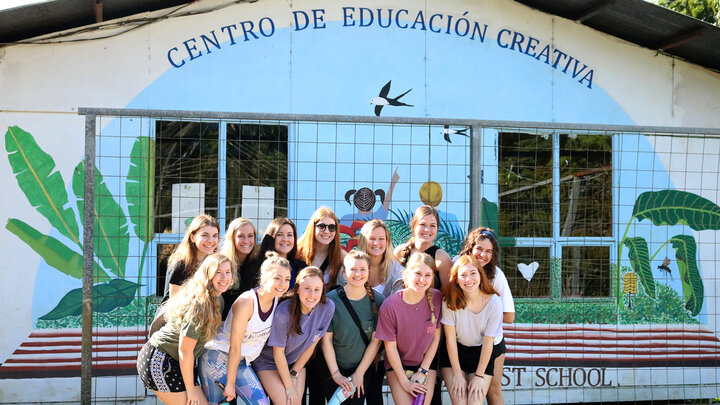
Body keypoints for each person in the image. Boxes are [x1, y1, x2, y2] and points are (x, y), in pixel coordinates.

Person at [137, 253, 233, 405]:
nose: (224, 277)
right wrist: (190, 389)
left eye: (228, 272)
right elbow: (185, 350)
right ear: (207, 275)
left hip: (180, 362)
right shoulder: (199, 303)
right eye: (218, 272)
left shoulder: (218, 300)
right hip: (160, 360)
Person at [198, 252, 291, 405]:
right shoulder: (247, 302)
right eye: (277, 278)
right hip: (217, 357)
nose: (283, 284)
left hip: (241, 361)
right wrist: (230, 383)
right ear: (265, 277)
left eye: (287, 279)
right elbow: (235, 347)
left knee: (261, 403)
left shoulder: (276, 300)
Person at [252, 267, 335, 405]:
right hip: (269, 362)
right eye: (307, 288)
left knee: (296, 402)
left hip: (295, 362)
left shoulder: (328, 307)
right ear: (297, 289)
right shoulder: (284, 312)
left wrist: (294, 373)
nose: (312, 294)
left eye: (317, 289)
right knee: (286, 402)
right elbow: (278, 353)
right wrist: (289, 386)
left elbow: (312, 345)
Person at [375, 252, 442, 405]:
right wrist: (405, 382)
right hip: (399, 364)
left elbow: (436, 338)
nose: (422, 280)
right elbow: (390, 348)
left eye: (427, 275)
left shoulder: (436, 298)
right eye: (417, 273)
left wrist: (423, 371)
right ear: (407, 273)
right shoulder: (390, 305)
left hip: (425, 363)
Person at [458, 227, 515, 405]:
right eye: (479, 249)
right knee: (468, 393)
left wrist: (481, 315)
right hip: (463, 342)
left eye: (488, 251)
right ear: (470, 247)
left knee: (493, 390)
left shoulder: (496, 275)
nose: (483, 255)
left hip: (491, 342)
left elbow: (509, 316)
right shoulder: (456, 267)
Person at [322, 251, 385, 405]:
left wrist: (359, 373)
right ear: (344, 272)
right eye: (353, 269)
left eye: (363, 269)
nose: (358, 273)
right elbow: (326, 341)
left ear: (369, 271)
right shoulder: (331, 300)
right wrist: (336, 374)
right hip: (333, 366)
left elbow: (375, 342)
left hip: (362, 367)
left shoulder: (378, 300)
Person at [440, 255, 502, 405]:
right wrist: (457, 374)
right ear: (456, 279)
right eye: (463, 275)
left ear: (480, 275)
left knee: (475, 402)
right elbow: (450, 340)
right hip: (455, 354)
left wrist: (479, 376)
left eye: (473, 273)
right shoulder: (449, 301)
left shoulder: (494, 302)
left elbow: (488, 343)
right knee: (460, 402)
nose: (468, 279)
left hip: (481, 354)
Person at [163, 214, 220, 301]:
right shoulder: (181, 265)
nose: (211, 240)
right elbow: (175, 306)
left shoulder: (216, 264)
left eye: (215, 236)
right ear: (192, 237)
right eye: (205, 235)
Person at [341, 219, 403, 297]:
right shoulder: (350, 265)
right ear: (364, 241)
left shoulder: (397, 270)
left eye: (381, 239)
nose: (376, 243)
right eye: (372, 239)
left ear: (387, 241)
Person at [394, 205, 453, 288]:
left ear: (437, 229)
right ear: (414, 226)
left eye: (432, 226)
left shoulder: (442, 259)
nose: (427, 230)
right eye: (423, 224)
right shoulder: (399, 252)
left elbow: (447, 294)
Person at [297, 207, 347, 289]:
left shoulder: (341, 257)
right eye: (321, 226)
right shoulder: (297, 252)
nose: (327, 231)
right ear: (313, 227)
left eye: (332, 227)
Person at [220, 217, 258, 319]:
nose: (246, 241)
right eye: (241, 236)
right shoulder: (220, 263)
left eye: (250, 236)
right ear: (232, 238)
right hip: (219, 326)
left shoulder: (257, 265)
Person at [254, 217, 306, 288]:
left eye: (289, 235)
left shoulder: (301, 267)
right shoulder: (256, 267)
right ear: (272, 237)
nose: (285, 239)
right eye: (280, 234)